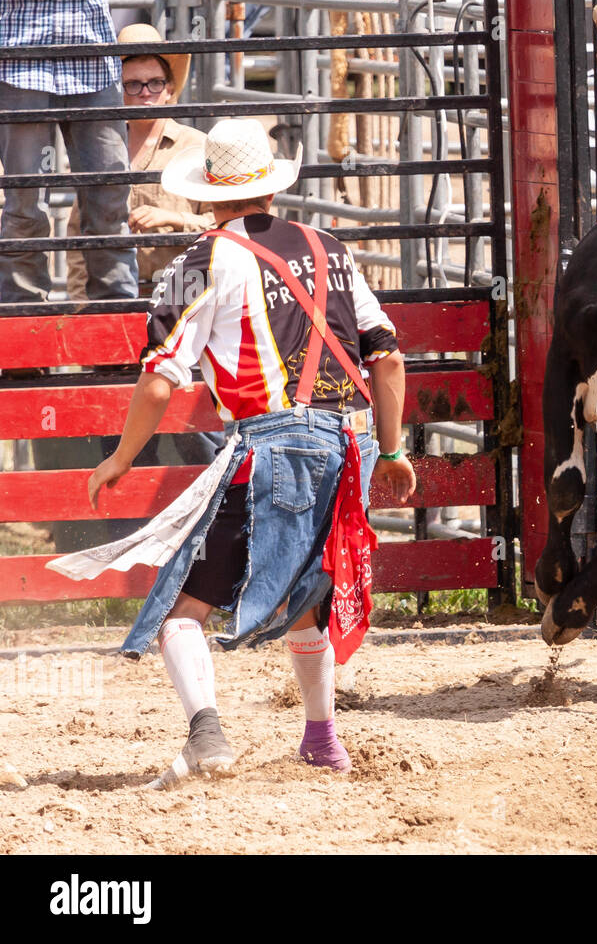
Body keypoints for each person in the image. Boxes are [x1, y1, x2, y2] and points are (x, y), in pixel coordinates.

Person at [69, 118, 416, 787]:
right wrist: (395, 451)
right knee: (309, 596)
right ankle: (322, 741)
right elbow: (389, 358)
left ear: (208, 195)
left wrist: (120, 458)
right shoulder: (331, 248)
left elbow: (159, 377)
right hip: (348, 446)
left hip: (270, 445)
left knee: (180, 609)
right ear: (269, 188)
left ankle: (207, 735)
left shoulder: (198, 262)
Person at [0, 0, 136, 303]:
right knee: (24, 202)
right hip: (21, 54)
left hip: (90, 53)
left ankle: (115, 307)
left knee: (110, 196)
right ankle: (24, 308)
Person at [66, 22, 213, 301]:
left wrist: (175, 220)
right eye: (133, 85)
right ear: (117, 92)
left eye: (155, 83)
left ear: (169, 89)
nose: (146, 92)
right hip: (117, 300)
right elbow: (78, 234)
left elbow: (228, 224)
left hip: (185, 298)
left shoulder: (197, 146)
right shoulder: (99, 151)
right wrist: (79, 305)